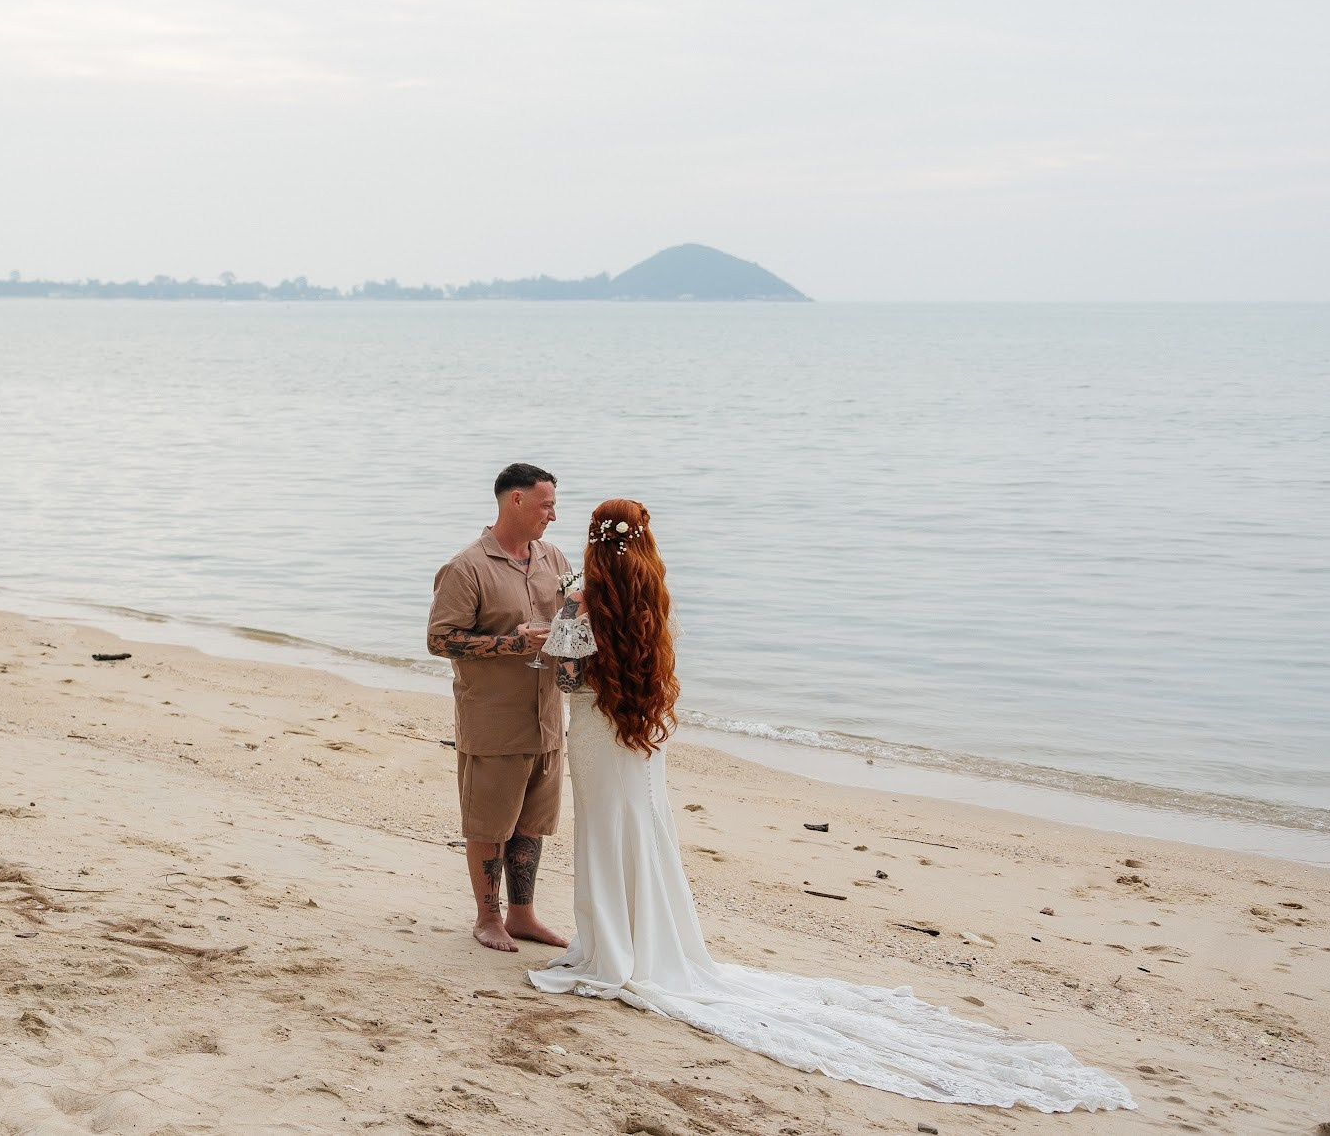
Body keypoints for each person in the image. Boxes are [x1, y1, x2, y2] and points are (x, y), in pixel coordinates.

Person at [529, 498, 1134, 1112]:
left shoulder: (585, 604)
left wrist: (562, 624)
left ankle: (611, 946)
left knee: (604, 835)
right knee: (647, 833)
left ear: (594, 544)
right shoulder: (649, 598)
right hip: (639, 738)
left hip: (596, 733)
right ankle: (646, 939)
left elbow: (571, 682)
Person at [427, 462, 570, 952]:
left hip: (547, 717)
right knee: (489, 824)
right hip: (493, 718)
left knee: (533, 822)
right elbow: (440, 640)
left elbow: (570, 625)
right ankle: (487, 918)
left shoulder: (554, 558)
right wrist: (512, 645)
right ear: (516, 501)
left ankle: (523, 915)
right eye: (546, 504)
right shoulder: (467, 566)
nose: (553, 514)